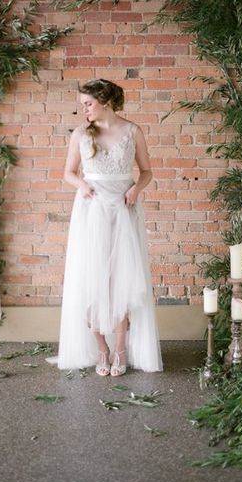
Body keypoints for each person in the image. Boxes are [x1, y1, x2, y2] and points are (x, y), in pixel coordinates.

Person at [56, 78, 163, 376]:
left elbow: (147, 171)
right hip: (91, 211)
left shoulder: (132, 131)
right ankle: (100, 349)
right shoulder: (81, 134)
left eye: (88, 104)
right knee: (91, 278)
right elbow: (68, 173)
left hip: (123, 209)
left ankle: (120, 349)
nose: (84, 110)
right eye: (82, 105)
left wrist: (135, 190)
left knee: (121, 280)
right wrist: (83, 186)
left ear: (105, 101)